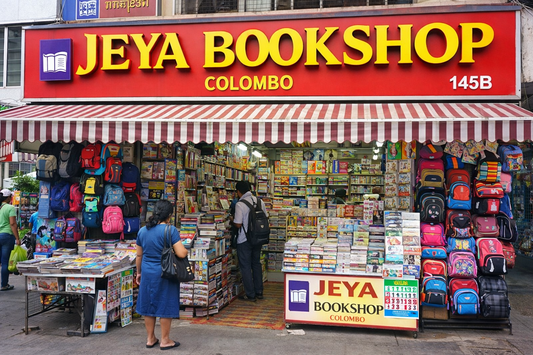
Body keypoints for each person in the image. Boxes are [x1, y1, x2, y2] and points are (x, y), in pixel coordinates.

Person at [135, 200, 188, 350]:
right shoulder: (170, 230)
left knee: (148, 303)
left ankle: (150, 338)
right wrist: (186, 250)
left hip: (147, 271)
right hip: (165, 271)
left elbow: (139, 255)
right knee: (165, 302)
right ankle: (165, 340)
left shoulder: (142, 231)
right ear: (169, 215)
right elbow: (181, 252)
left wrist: (139, 273)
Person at [231, 181, 266, 302]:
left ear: (239, 191)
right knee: (256, 263)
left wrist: (232, 219)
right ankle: (259, 291)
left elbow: (238, 223)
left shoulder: (240, 204)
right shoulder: (260, 201)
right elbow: (265, 218)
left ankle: (250, 294)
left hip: (244, 239)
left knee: (245, 266)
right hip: (258, 238)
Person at [0, 189, 20, 291]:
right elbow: (12, 223)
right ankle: (4, 285)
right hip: (6, 236)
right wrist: (17, 238)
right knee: (4, 261)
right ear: (8, 198)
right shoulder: (10, 208)